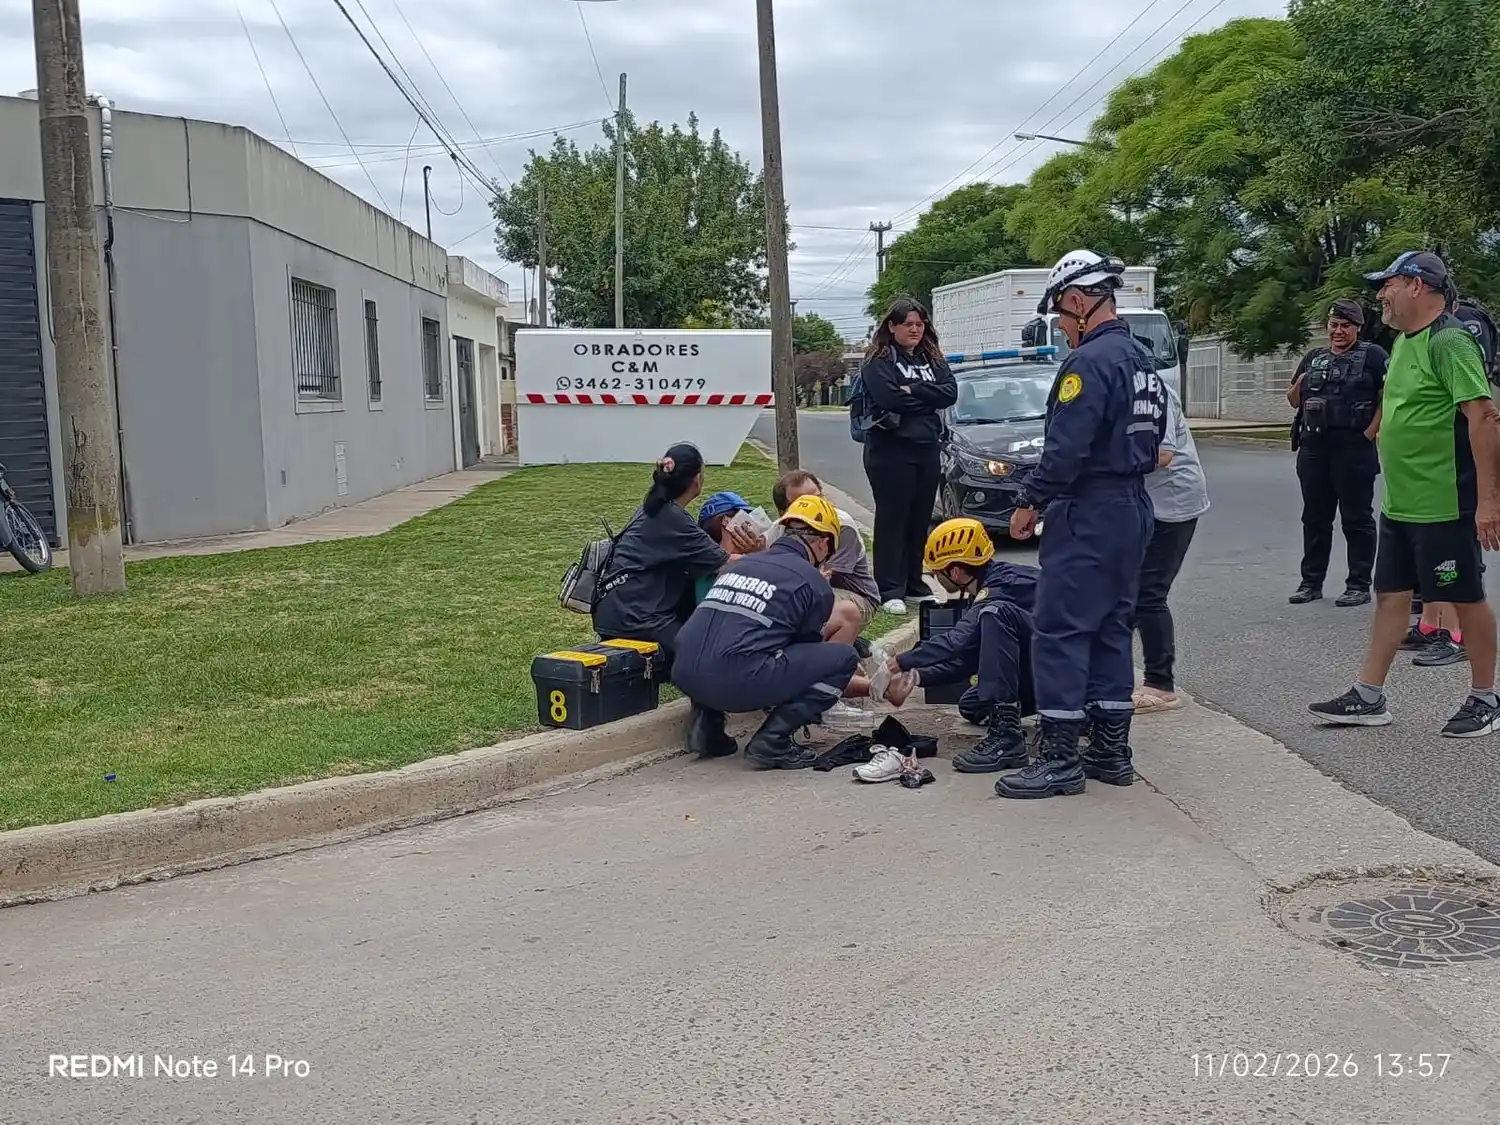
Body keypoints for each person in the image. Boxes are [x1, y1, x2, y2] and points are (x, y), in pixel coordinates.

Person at [1310, 251, 1500, 737]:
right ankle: (1368, 695)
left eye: (1388, 284)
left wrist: (1489, 500)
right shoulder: (1402, 342)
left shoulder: (1449, 342)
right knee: (1391, 598)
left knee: (1466, 598)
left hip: (1444, 502)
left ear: (1417, 285)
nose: (1381, 295)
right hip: (1401, 504)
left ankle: (1485, 698)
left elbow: (1483, 417)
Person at [1000, 249, 1167, 799]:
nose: (1061, 326)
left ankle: (1060, 759)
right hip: (1132, 507)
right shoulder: (1140, 359)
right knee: (1112, 627)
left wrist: (1030, 500)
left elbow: (1066, 448)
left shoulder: (1088, 363)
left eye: (1060, 314)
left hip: (1090, 509)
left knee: (1062, 631)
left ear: (1076, 301)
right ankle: (1111, 752)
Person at [592, 444, 763, 757]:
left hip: (614, 611)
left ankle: (707, 723)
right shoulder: (672, 519)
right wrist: (770, 555)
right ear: (697, 480)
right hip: (638, 618)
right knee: (706, 653)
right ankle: (708, 729)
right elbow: (725, 563)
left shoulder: (652, 510)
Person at [672, 495, 867, 770]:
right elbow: (803, 656)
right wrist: (865, 685)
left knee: (724, 641)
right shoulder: (813, 583)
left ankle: (708, 729)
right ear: (823, 543)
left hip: (684, 671)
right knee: (843, 657)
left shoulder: (739, 564)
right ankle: (773, 741)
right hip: (735, 681)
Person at [880, 519, 1041, 774]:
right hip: (1041, 669)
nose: (936, 579)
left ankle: (1007, 739)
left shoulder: (1000, 589)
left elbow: (956, 642)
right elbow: (967, 659)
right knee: (972, 705)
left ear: (954, 571)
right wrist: (916, 677)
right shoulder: (988, 586)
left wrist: (899, 662)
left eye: (937, 573)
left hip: (1064, 673)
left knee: (996, 613)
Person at [857, 296, 958, 615]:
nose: (915, 329)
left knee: (919, 518)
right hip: (889, 449)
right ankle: (890, 588)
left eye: (920, 324)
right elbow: (889, 398)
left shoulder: (931, 356)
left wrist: (914, 389)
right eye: (908, 324)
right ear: (892, 326)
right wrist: (927, 401)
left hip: (926, 448)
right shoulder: (878, 359)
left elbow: (950, 393)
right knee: (893, 518)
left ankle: (914, 583)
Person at [1286, 300, 1389, 607]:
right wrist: (1300, 385)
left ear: (1358, 327)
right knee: (1315, 518)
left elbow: (1388, 398)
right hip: (1314, 447)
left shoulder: (1373, 356)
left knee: (1356, 519)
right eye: (1334, 325)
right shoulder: (1314, 357)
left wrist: (1369, 433)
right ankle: (1310, 583)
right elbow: (1293, 400)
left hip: (1353, 447)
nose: (1339, 331)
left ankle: (1358, 584)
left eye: (1346, 326)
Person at [1133, 379, 1209, 713]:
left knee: (1148, 593)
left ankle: (1160, 685)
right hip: (1143, 503)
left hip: (1173, 503)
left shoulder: (1152, 392)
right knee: (1124, 590)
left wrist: (1100, 465)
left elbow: (1162, 455)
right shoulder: (1117, 389)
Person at [771, 470, 880, 645]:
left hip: (854, 596)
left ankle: (832, 651)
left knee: (798, 601)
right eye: (803, 503)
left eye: (818, 497)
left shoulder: (841, 525)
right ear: (783, 512)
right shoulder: (782, 526)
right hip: (807, 587)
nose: (816, 506)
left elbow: (818, 582)